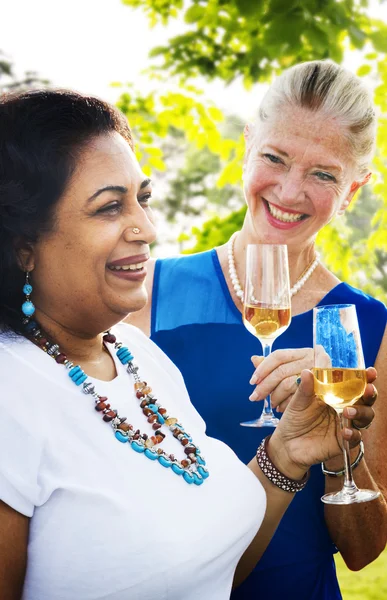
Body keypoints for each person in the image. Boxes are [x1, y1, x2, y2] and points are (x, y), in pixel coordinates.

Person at [0, 88, 377, 600]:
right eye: (111, 206)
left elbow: (213, 563)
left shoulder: (141, 360)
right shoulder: (12, 391)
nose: (148, 229)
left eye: (144, 199)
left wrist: (290, 451)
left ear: (354, 189)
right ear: (24, 246)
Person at [129, 60, 387, 600]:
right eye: (275, 157)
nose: (290, 191)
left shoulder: (368, 326)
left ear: (354, 190)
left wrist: (341, 443)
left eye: (324, 174)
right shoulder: (146, 293)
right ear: (247, 146)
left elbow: (365, 553)